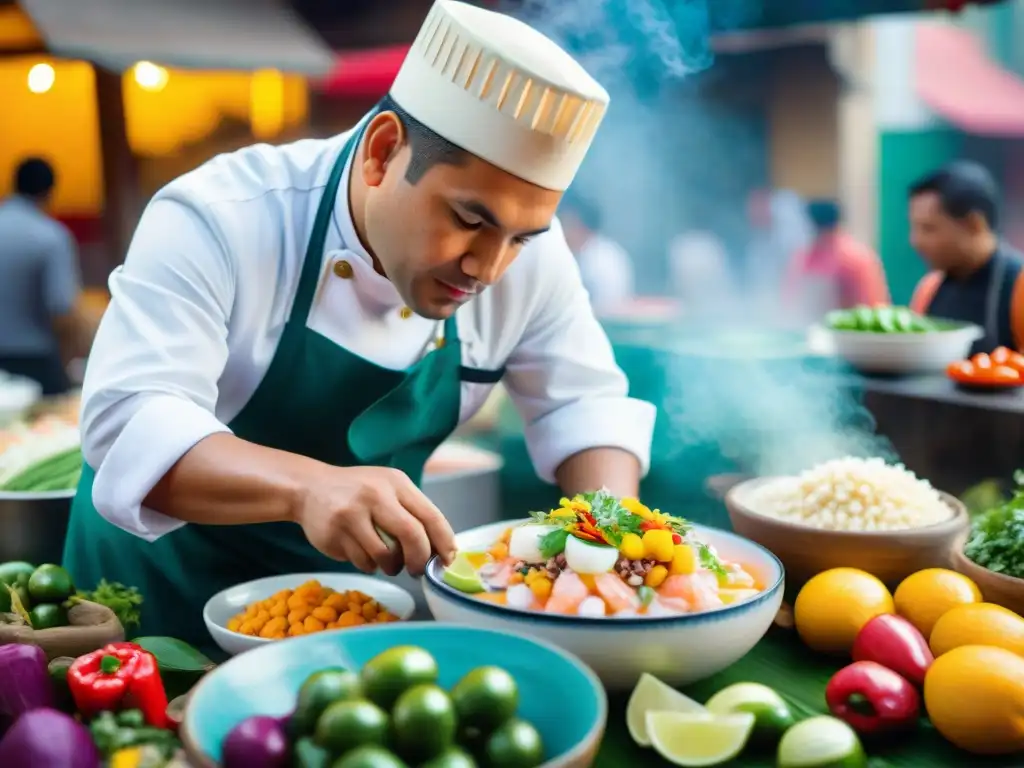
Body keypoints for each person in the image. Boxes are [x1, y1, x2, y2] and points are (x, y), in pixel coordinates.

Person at [62, 0, 656, 650]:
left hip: (341, 616)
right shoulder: (222, 216)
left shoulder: (531, 258)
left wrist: (613, 545)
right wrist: (308, 486)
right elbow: (129, 423)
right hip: (157, 611)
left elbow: (586, 406)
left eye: (520, 237)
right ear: (381, 153)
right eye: (470, 219)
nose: (488, 267)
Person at [908, 162, 1024, 354]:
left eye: (929, 228)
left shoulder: (1019, 286)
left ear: (974, 224)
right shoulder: (929, 289)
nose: (915, 241)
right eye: (914, 228)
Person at [0, 158, 82, 395]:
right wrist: (67, 362)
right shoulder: (50, 236)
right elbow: (61, 310)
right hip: (35, 366)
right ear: (49, 192)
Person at [783, 199, 890, 325]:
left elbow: (875, 307)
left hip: (851, 335)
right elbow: (790, 302)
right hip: (811, 330)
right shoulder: (804, 257)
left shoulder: (855, 259)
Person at [559, 195, 635, 314]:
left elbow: (606, 308)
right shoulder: (573, 254)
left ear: (582, 227)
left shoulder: (605, 260)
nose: (563, 231)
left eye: (568, 224)